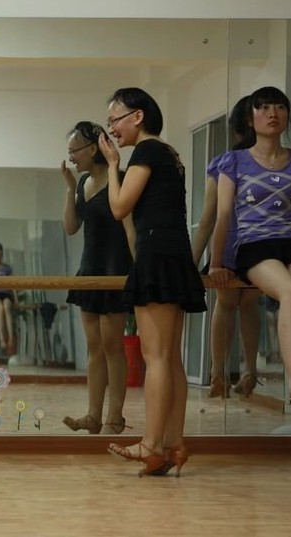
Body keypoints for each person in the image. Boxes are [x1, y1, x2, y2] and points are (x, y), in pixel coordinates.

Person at [99, 87, 206, 477]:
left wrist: (112, 166)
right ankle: (172, 445)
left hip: (157, 254)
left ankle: (152, 443)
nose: (112, 129)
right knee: (170, 357)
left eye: (115, 119)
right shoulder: (170, 153)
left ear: (138, 116)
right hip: (173, 253)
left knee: (156, 357)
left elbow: (119, 206)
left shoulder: (146, 151)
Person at [211, 86, 291, 408]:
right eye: (264, 107)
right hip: (256, 245)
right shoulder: (234, 161)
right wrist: (216, 262)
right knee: (289, 292)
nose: (273, 113)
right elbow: (223, 216)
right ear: (251, 117)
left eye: (280, 107)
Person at [61, 121, 135, 435]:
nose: (71, 158)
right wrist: (68, 188)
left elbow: (130, 226)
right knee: (94, 347)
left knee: (112, 345)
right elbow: (70, 227)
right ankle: (93, 415)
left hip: (115, 268)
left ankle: (114, 418)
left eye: (74, 151)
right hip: (89, 269)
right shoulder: (82, 184)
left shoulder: (121, 178)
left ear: (92, 148)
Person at [191, 97, 262, 398]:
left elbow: (208, 217)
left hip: (231, 243)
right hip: (259, 245)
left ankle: (217, 372)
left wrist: (192, 262)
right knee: (248, 305)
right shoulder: (270, 162)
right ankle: (249, 371)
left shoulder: (224, 163)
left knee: (226, 303)